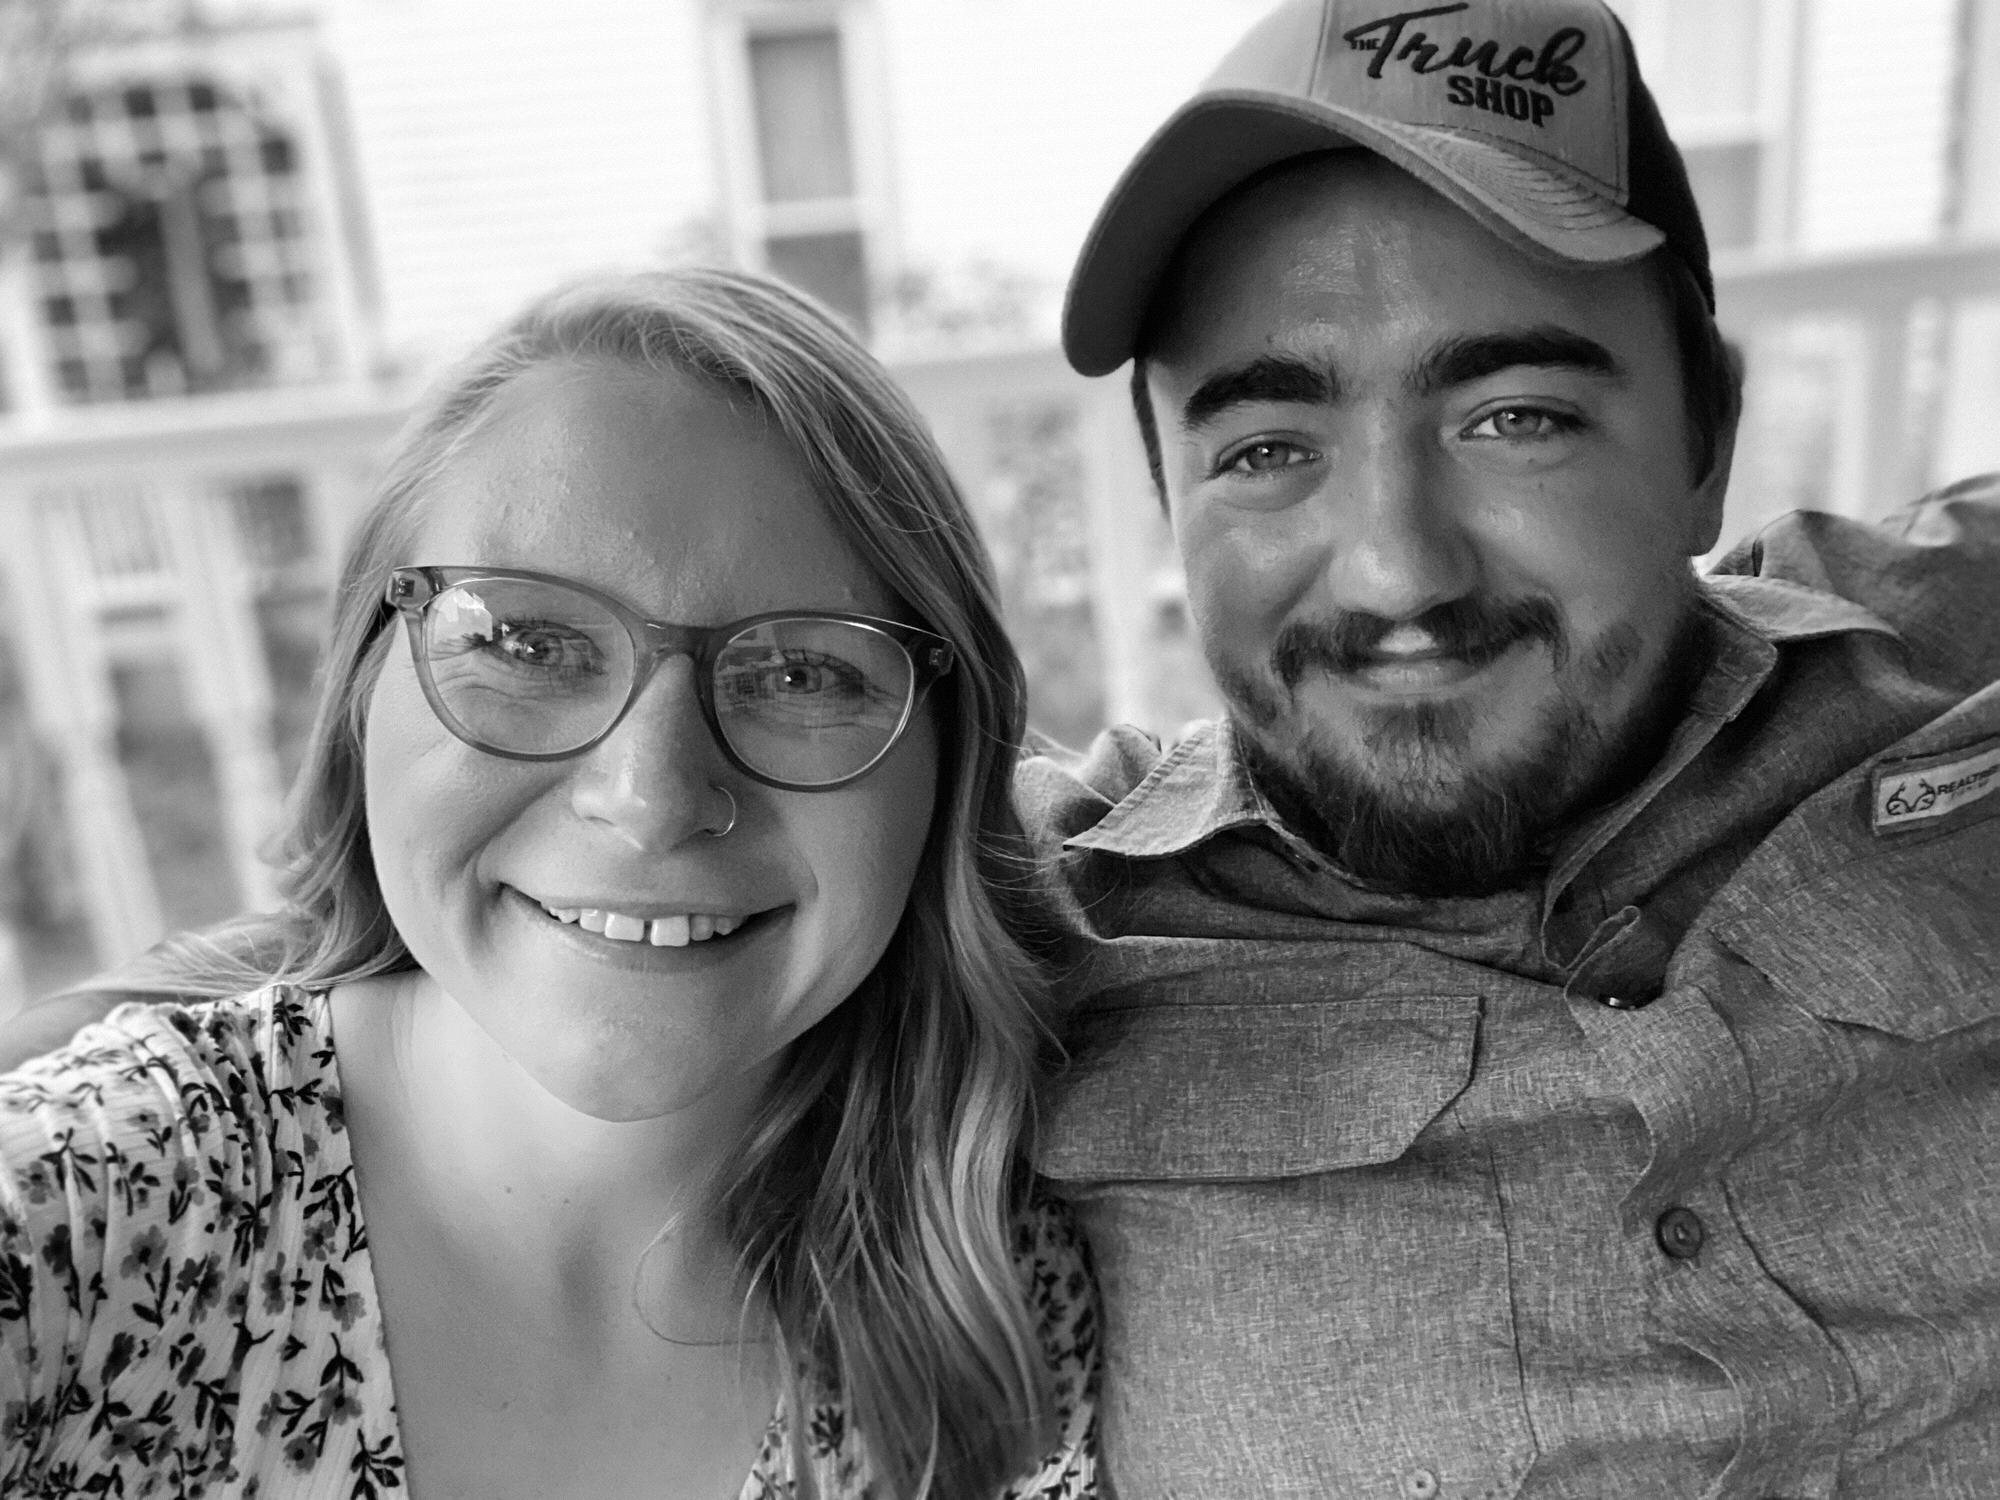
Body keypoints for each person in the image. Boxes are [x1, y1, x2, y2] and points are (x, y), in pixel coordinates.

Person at [1020, 0, 2000, 1494]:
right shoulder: (1032, 941)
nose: (1396, 574)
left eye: (1514, 418)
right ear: (1170, 500)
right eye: (1266, 451)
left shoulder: (1944, 659)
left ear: (1706, 446)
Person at [0, 268, 1098, 1499]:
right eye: (523, 642)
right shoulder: (86, 1211)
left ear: (949, 769)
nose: (651, 795)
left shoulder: (1020, 1286)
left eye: (801, 675)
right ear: (363, 692)